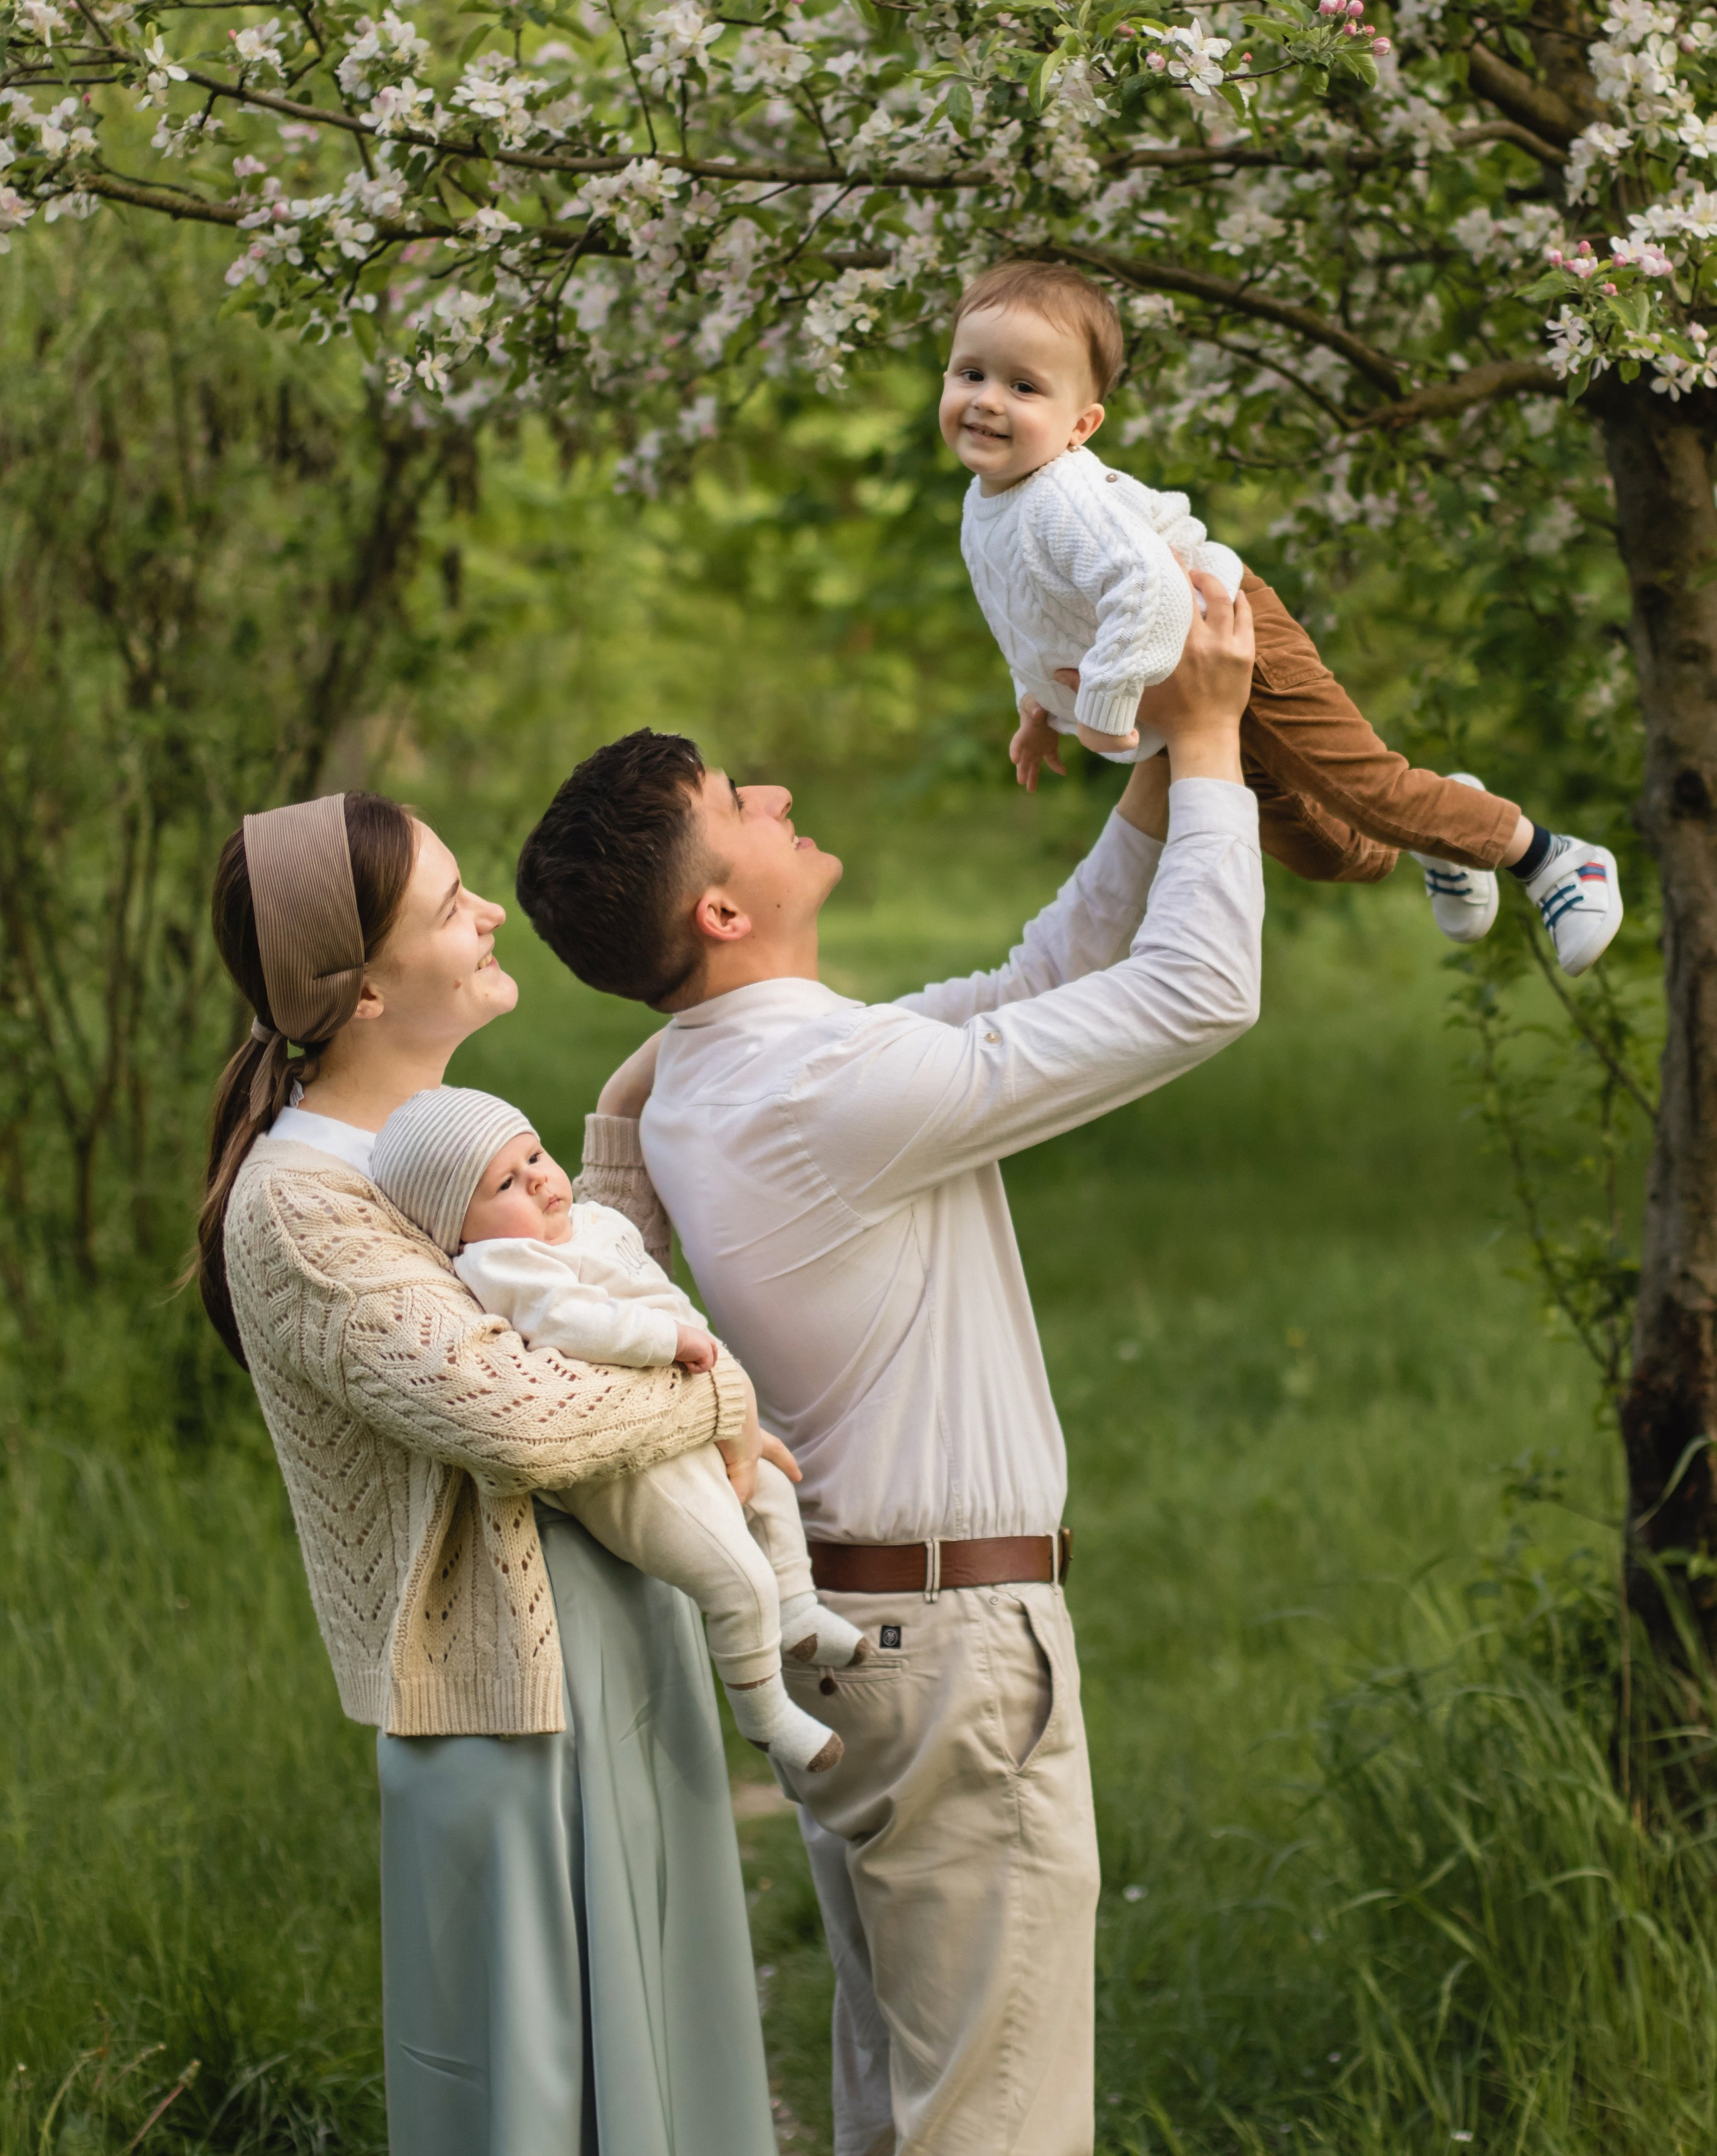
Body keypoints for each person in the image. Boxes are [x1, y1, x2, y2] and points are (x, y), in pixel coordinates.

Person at [512, 580, 1262, 2156]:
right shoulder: (813, 1085)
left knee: (912, 2104)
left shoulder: (755, 1068)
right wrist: (1205, 750)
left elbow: (1031, 983)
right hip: (941, 1646)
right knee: (986, 2124)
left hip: (879, 1637)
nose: (774, 793)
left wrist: (1149, 776)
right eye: (738, 804)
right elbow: (1198, 991)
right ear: (720, 910)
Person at [199, 789, 779, 2156]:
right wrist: (714, 1396)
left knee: (677, 2073)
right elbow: (518, 1418)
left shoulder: (448, 1135)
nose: (490, 915)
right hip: (499, 1700)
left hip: (621, 1638)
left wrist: (682, 1376)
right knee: (530, 2105)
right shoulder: (303, 1205)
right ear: (359, 990)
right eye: (448, 906)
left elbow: (583, 1315)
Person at [947, 256, 1624, 980]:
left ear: (1081, 424)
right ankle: (1448, 830)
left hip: (1235, 637)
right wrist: (1038, 709)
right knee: (1323, 850)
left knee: (1364, 786)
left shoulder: (1060, 499)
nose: (988, 400)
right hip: (1178, 686)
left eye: (1023, 386)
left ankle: (1555, 859)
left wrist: (1105, 702)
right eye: (970, 374)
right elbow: (1035, 617)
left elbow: (1155, 591)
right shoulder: (987, 502)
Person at [370, 1082, 870, 1773]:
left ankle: (799, 1607)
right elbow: (572, 1322)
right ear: (459, 1228)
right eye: (507, 1184)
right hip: (626, 1465)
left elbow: (655, 1285)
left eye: (535, 1155)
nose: (540, 1178)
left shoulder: (592, 1225)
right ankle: (766, 1717)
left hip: (686, 1412)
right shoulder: (502, 1263)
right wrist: (668, 1341)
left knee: (771, 1490)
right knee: (732, 1575)